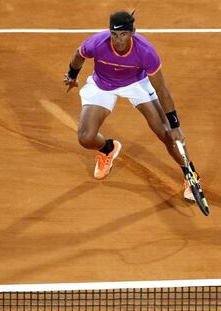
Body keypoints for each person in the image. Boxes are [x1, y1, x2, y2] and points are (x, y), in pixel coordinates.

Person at [63, 10, 199, 201]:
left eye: (123, 34)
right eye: (114, 34)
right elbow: (79, 55)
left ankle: (190, 175)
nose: (118, 40)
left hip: (136, 84)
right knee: (85, 137)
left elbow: (162, 89)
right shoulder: (97, 42)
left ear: (133, 32)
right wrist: (72, 75)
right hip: (103, 84)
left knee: (166, 133)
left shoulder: (146, 52)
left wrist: (175, 125)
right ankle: (108, 149)